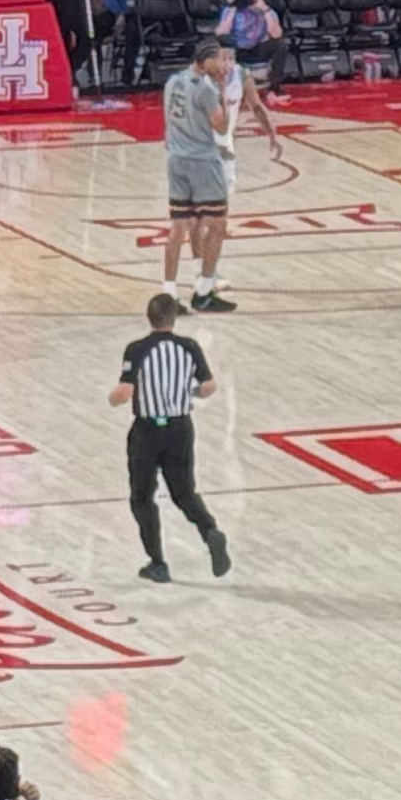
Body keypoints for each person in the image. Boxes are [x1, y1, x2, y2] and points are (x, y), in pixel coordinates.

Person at [114, 291, 228, 584]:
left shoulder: (137, 349)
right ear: (173, 318)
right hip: (180, 427)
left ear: (149, 317)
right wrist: (184, 394)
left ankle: (158, 562)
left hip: (147, 430)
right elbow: (209, 387)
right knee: (184, 492)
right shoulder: (189, 346)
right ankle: (209, 530)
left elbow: (123, 393)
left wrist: (112, 398)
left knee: (142, 496)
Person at [160, 36, 275, 314]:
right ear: (206, 59)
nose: (224, 65)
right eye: (219, 59)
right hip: (203, 160)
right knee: (218, 224)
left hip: (176, 158)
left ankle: (169, 293)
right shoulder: (206, 89)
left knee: (178, 228)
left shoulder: (172, 81)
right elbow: (222, 128)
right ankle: (204, 289)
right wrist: (222, 90)